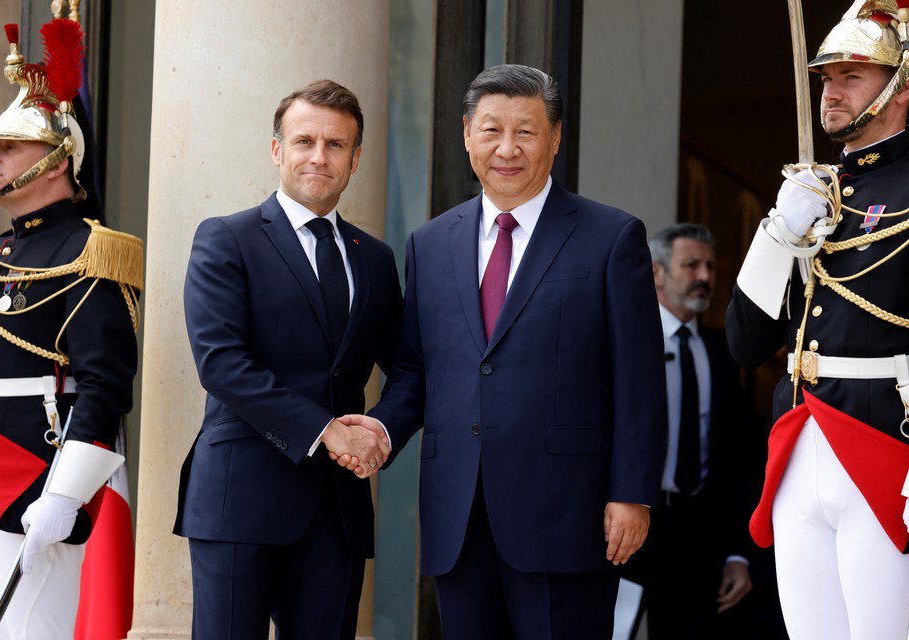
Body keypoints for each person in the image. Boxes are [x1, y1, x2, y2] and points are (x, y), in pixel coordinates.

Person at [338, 64, 666, 638]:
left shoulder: (611, 237)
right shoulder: (430, 243)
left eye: (527, 131)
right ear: (467, 134)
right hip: (458, 517)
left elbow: (638, 380)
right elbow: (417, 369)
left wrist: (632, 494)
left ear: (556, 138)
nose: (507, 148)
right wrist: (383, 431)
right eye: (491, 130)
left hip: (570, 517)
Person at [174, 79, 403, 639]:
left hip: (337, 512)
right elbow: (222, 363)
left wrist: (381, 429)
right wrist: (326, 431)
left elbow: (410, 367)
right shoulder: (226, 239)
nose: (319, 157)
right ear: (277, 149)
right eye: (304, 141)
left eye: (336, 145)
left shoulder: (374, 259)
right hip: (239, 502)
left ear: (356, 159)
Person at [0, 20, 141, 639]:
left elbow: (104, 387)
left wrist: (64, 494)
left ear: (59, 161)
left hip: (32, 475)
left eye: (10, 146)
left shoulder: (94, 252)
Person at [726, 2, 909, 638]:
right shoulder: (811, 191)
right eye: (826, 76)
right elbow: (745, 342)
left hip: (889, 445)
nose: (830, 90)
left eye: (852, 75)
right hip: (802, 438)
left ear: (899, 86)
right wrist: (779, 233)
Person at [622, 223, 786, 639]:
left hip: (700, 538)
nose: (705, 277)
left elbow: (740, 460)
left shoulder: (723, 353)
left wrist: (739, 554)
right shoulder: (625, 341)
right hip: (628, 526)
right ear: (657, 273)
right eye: (691, 265)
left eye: (710, 267)